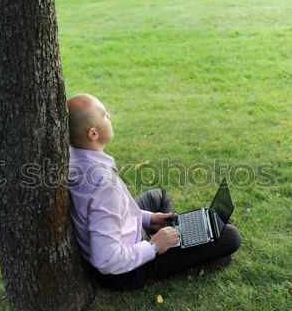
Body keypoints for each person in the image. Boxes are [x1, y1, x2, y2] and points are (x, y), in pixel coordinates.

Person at [67, 93, 241, 291]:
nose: (110, 115)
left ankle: (176, 237)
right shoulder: (104, 185)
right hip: (126, 270)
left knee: (160, 197)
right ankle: (182, 249)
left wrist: (149, 219)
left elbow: (108, 211)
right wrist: (154, 246)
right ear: (93, 134)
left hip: (126, 232)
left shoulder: (75, 158)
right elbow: (106, 259)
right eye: (104, 115)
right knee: (230, 236)